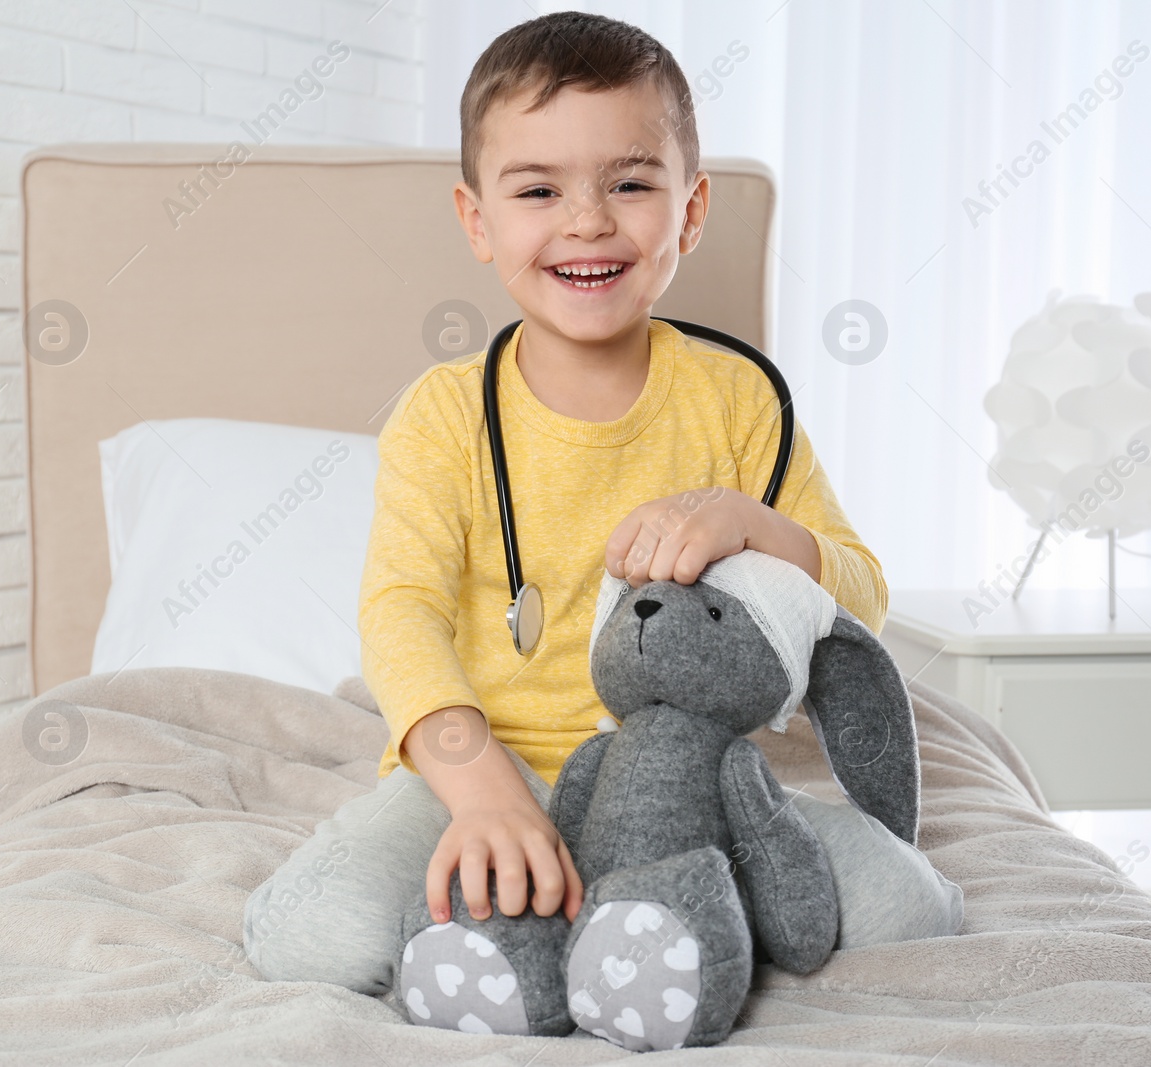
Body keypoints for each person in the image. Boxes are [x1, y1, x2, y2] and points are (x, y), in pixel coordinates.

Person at [244, 11, 957, 1040]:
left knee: (909, 909)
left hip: (688, 784)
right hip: (489, 765)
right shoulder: (446, 414)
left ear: (690, 209)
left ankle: (631, 908)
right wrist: (481, 789)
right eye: (537, 190)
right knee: (315, 936)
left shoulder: (741, 401)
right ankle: (616, 922)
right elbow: (399, 611)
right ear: (477, 218)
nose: (586, 222)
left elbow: (862, 597)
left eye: (629, 183)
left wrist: (751, 524)